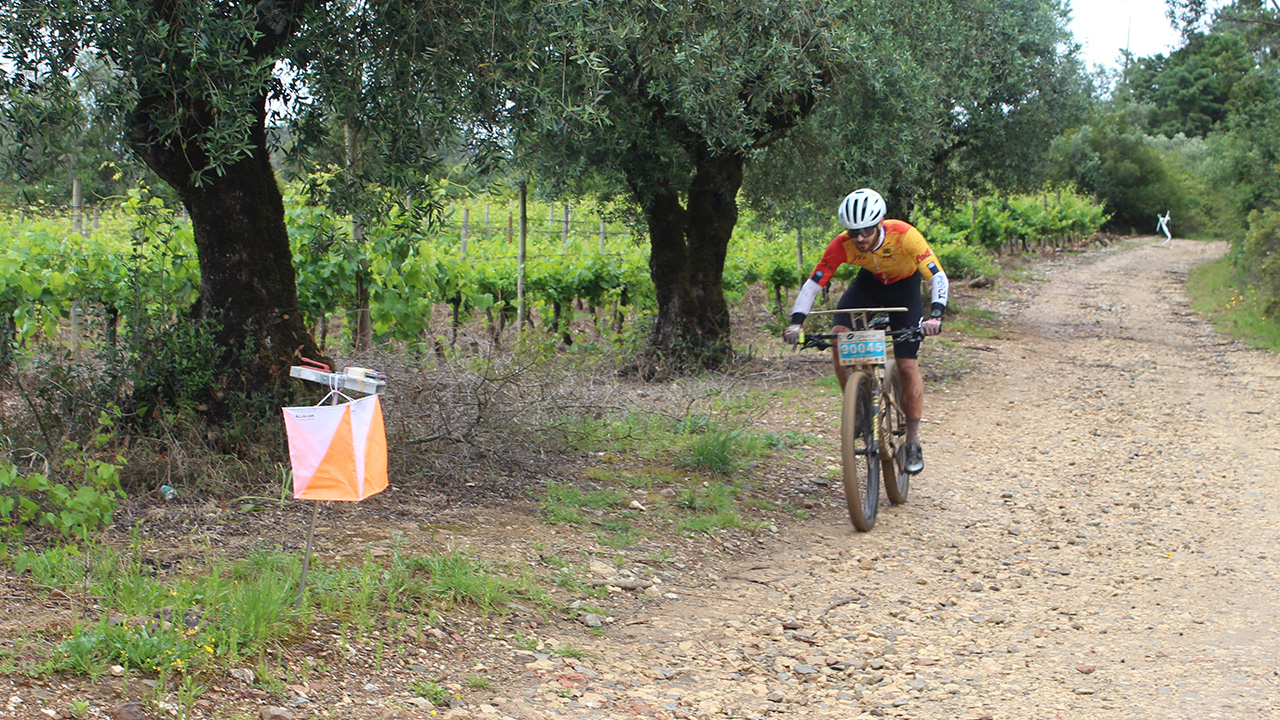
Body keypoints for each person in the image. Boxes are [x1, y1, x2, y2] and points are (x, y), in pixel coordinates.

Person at [782, 188, 948, 475]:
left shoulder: (904, 235)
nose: (860, 238)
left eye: (867, 230)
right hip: (869, 285)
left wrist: (935, 315)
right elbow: (814, 284)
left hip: (904, 288)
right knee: (839, 334)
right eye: (854, 231)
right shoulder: (842, 244)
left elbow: (937, 276)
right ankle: (856, 408)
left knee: (907, 364)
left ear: (880, 222)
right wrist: (797, 323)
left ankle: (912, 441)